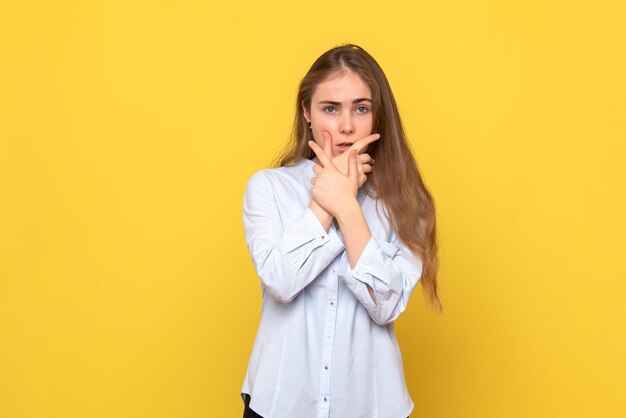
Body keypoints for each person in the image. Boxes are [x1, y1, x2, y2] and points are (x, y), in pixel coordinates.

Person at [240, 44, 440, 418]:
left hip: (371, 406)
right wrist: (324, 201)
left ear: (377, 117)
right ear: (307, 114)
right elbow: (280, 281)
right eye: (330, 109)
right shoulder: (268, 189)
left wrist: (348, 206)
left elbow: (386, 305)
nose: (346, 126)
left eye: (361, 109)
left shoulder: (408, 204)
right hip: (279, 402)